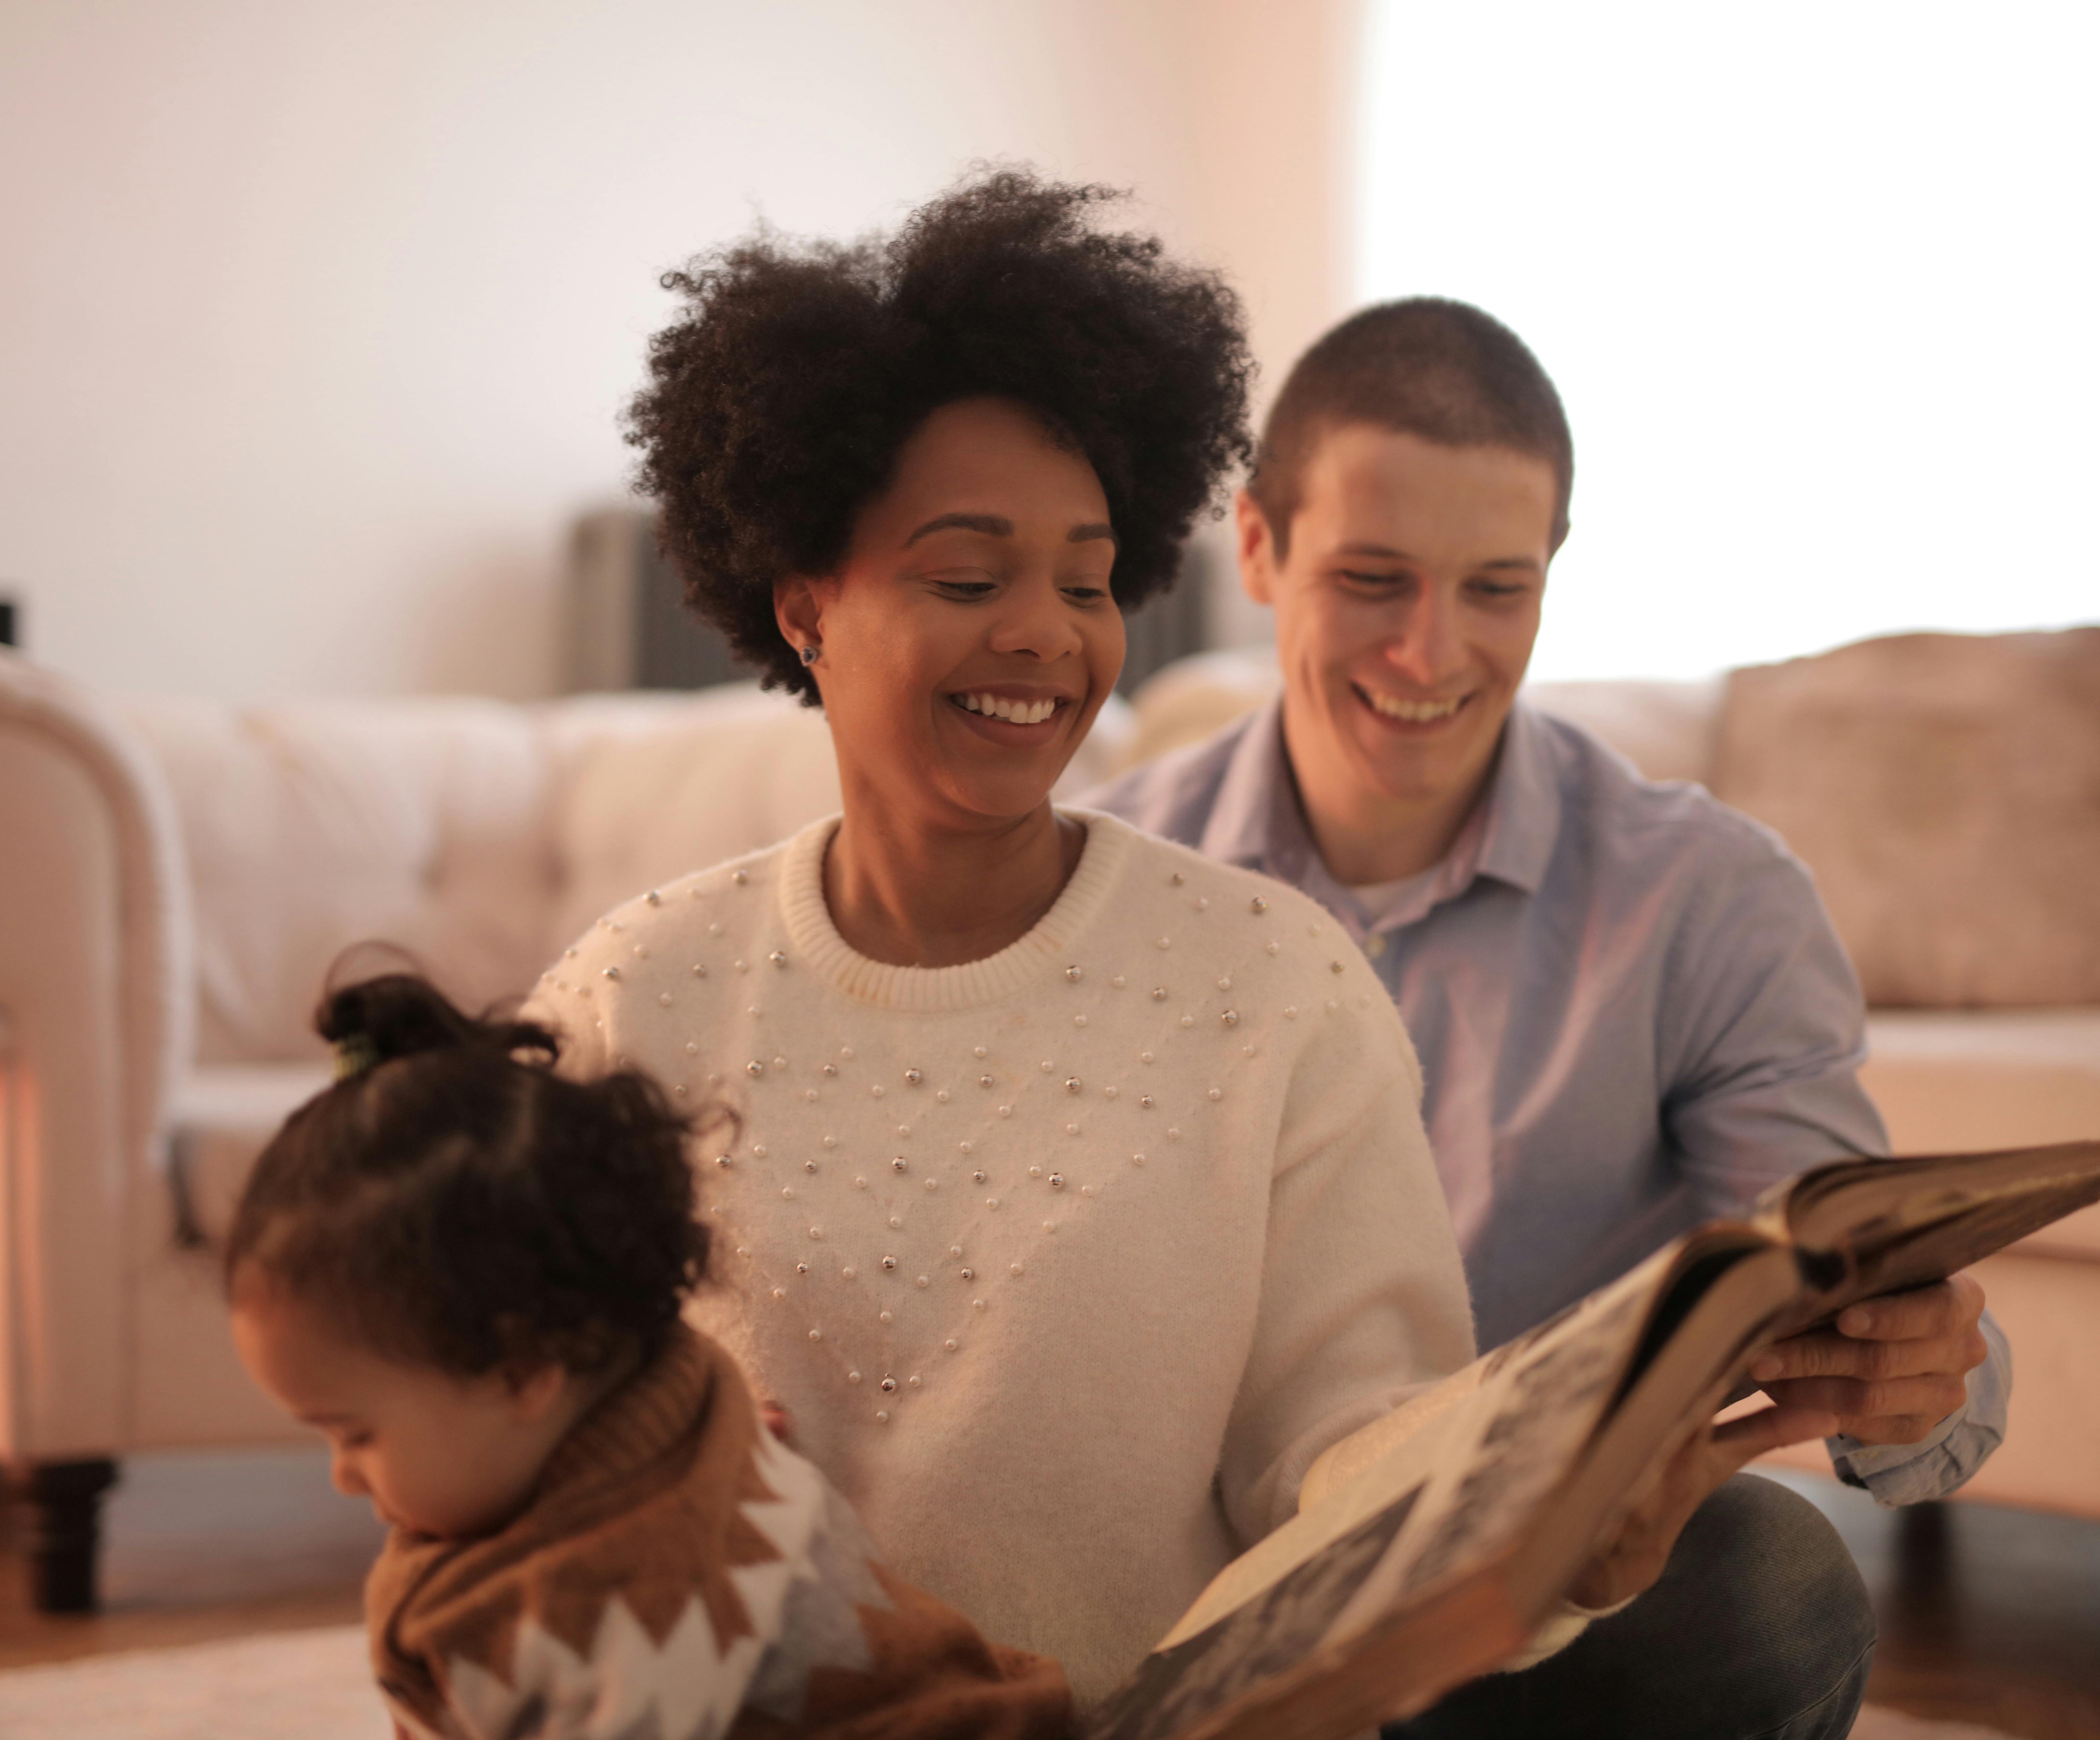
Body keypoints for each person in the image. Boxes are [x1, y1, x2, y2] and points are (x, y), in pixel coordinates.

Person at [522, 174, 1844, 1719]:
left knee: (1763, 1585)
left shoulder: (1273, 983)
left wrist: (1555, 1518)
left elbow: (1354, 1440)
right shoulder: (631, 993)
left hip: (1168, 1717)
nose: (1044, 632)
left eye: (1085, 581)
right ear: (805, 600)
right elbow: (492, 1429)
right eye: (968, 576)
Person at [1090, 298, 2011, 1733]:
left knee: (1775, 1587)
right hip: (1197, 1569)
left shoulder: (1709, 896)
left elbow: (1844, 1246)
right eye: (1376, 578)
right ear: (1259, 547)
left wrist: (1915, 1366)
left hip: (1536, 1585)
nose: (1430, 654)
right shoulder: (1104, 879)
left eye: (1496, 589)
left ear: (1553, 573)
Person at [226, 972, 1072, 1740]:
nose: (341, 1475)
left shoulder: (617, 1613)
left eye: (354, 1435)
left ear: (523, 1372)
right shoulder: (659, 1381)